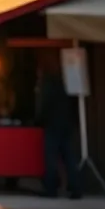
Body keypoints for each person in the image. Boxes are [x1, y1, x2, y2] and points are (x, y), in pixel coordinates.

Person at [34, 55, 82, 199]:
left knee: (51, 156)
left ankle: (51, 189)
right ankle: (75, 188)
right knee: (69, 156)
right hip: (67, 123)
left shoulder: (46, 84)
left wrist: (38, 120)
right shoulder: (65, 82)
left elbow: (44, 105)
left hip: (52, 124)